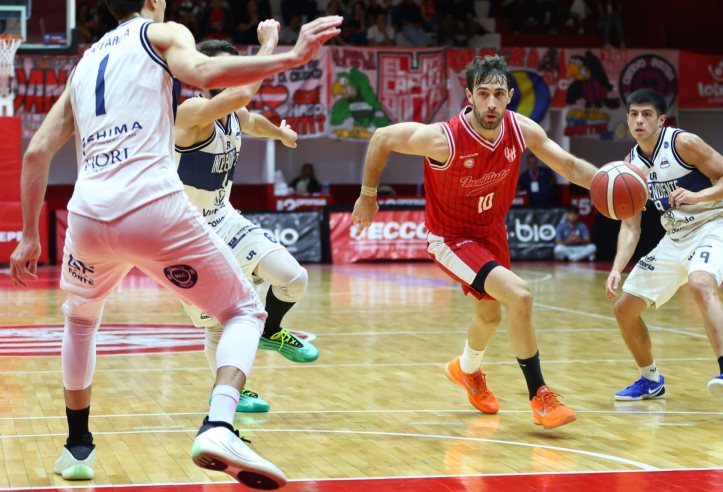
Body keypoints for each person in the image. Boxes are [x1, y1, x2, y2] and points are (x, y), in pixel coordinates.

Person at [8, 0, 341, 486]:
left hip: (87, 216)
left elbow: (37, 152)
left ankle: (77, 449)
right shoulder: (160, 34)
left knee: (79, 322)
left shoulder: (84, 64)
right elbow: (204, 71)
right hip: (153, 207)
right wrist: (287, 54)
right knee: (244, 311)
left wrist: (28, 235)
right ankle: (220, 425)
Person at [352, 55, 598, 430]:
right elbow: (382, 137)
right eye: (483, 94)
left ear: (510, 96)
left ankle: (466, 370)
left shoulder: (521, 130)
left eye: (498, 94)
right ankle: (540, 396)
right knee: (520, 295)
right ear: (469, 96)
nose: (491, 103)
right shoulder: (444, 139)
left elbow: (571, 166)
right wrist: (368, 194)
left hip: (490, 234)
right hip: (450, 238)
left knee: (490, 316)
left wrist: (608, 183)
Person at [174, 34, 320, 415]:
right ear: (205, 76)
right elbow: (242, 96)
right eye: (225, 69)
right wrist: (267, 48)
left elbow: (252, 120)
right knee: (217, 324)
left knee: (294, 278)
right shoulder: (190, 111)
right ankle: (232, 392)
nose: (232, 75)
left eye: (234, 68)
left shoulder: (233, 115)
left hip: (224, 218)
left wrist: (280, 133)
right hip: (188, 235)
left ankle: (271, 330)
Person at [606, 88, 723, 409]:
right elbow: (631, 226)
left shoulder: (683, 143)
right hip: (675, 237)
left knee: (700, 283)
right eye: (633, 114)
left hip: (714, 224)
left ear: (661, 120)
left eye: (647, 114)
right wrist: (616, 267)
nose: (639, 120)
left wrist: (697, 196)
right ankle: (651, 380)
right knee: (624, 309)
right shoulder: (631, 165)